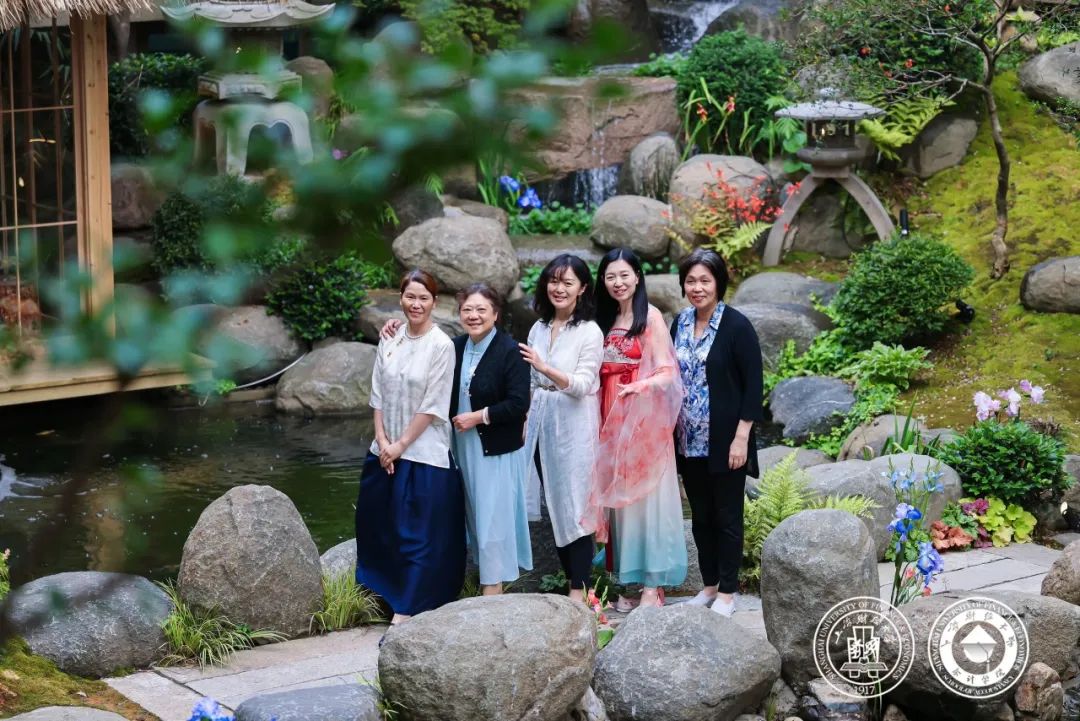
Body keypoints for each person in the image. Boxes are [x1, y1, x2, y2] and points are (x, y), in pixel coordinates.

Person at [379, 283, 533, 594]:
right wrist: (395, 329)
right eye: (467, 310)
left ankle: (492, 588)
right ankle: (473, 582)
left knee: (491, 517)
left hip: (493, 449)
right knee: (469, 514)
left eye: (481, 310)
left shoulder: (510, 351)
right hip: (458, 445)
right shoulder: (455, 346)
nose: (474, 316)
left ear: (495, 314)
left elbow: (519, 404)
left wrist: (479, 416)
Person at [355, 269, 464, 631]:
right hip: (384, 449)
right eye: (410, 296)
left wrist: (400, 445)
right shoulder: (390, 338)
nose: (416, 304)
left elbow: (434, 404)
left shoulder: (441, 345)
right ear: (400, 298)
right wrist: (383, 441)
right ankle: (382, 597)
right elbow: (378, 394)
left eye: (423, 298)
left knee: (417, 535)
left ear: (434, 302)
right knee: (378, 526)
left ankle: (409, 606)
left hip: (423, 453)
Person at [584, 247, 687, 611]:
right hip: (610, 419)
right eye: (610, 276)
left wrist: (639, 386)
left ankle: (653, 587)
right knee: (623, 504)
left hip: (642, 421)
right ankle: (632, 581)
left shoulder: (651, 317)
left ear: (638, 277)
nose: (618, 282)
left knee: (648, 501)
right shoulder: (605, 319)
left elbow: (668, 372)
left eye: (624, 275)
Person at [670, 248, 763, 618]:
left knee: (727, 517)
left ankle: (727, 591)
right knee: (701, 517)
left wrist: (742, 437)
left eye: (704, 280)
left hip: (725, 441)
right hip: (687, 440)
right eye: (691, 281)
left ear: (719, 283)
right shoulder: (679, 322)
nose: (697, 287)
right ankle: (708, 585)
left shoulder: (737, 326)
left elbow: (753, 386)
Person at [521, 254, 604, 604]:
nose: (559, 288)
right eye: (554, 281)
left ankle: (578, 589)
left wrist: (546, 368)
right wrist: (526, 420)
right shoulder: (538, 328)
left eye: (567, 282)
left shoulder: (590, 331)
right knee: (554, 502)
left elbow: (583, 384)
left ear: (582, 288)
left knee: (575, 503)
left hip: (574, 423)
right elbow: (531, 381)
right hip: (542, 421)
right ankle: (574, 581)